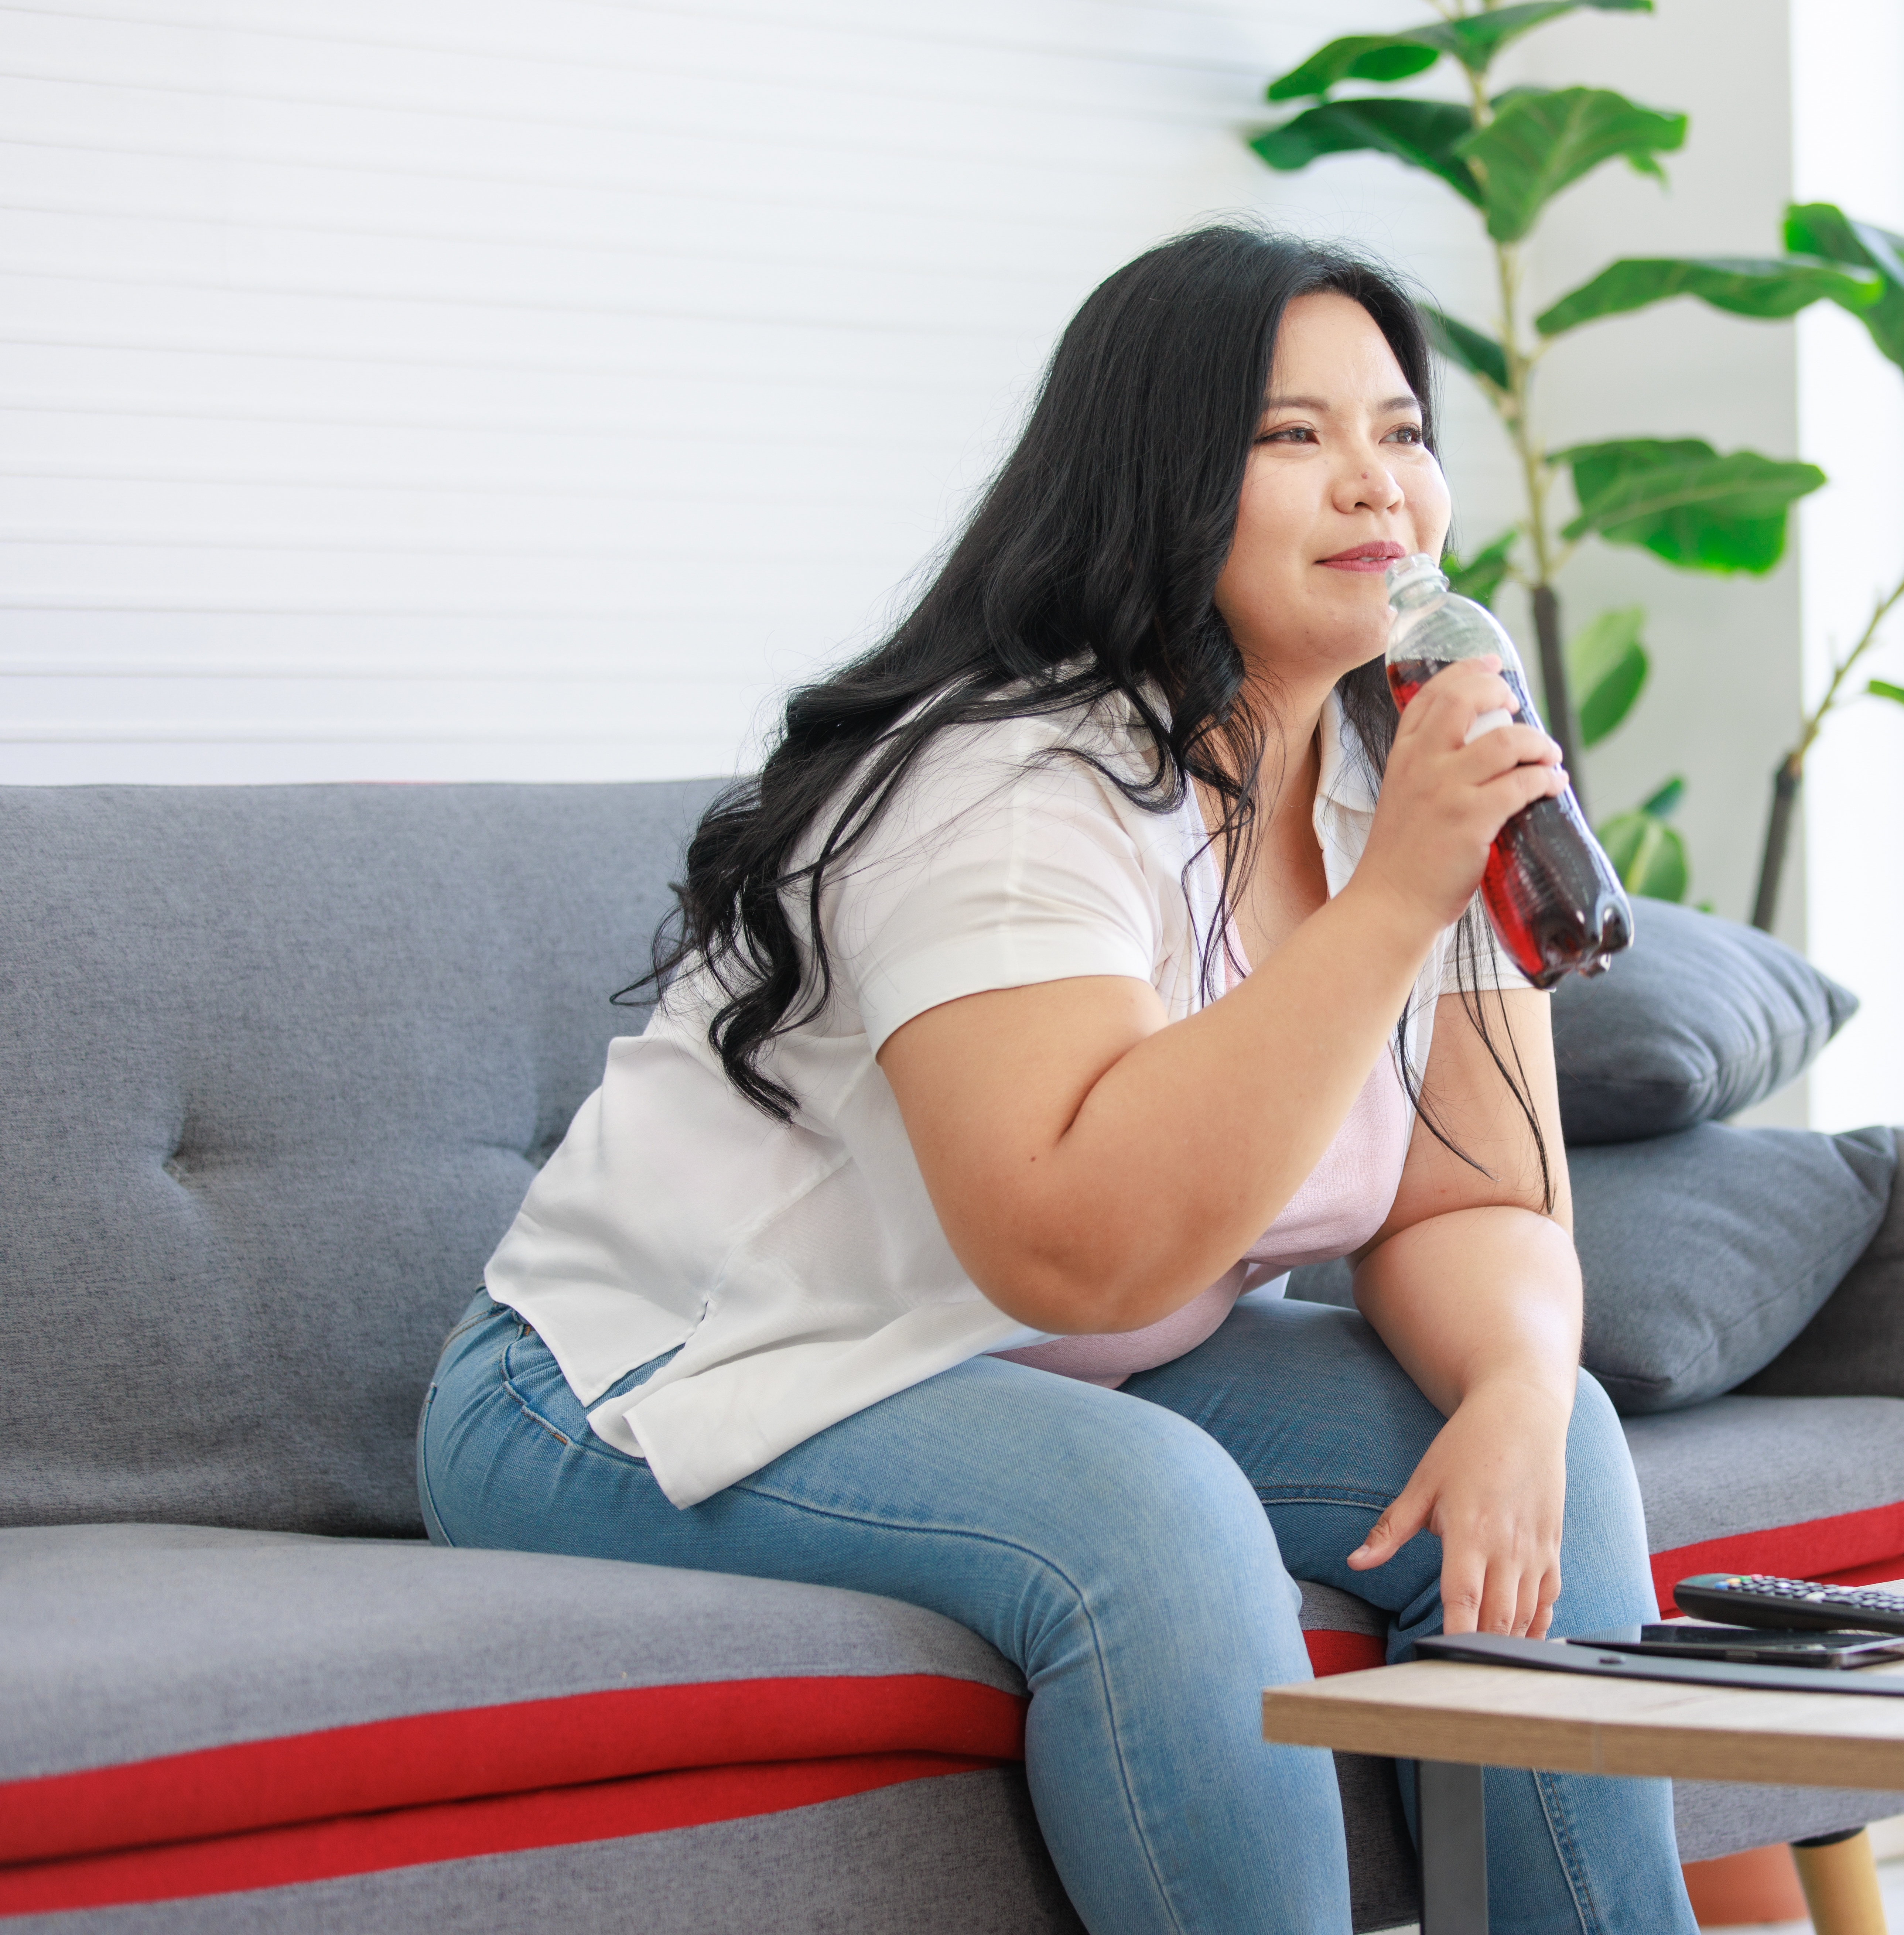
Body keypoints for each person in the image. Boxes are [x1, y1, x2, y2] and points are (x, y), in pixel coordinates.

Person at [417, 224, 1696, 1935]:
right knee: (1147, 1510)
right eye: (1288, 437)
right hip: (643, 1378)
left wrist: (1523, 1387)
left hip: (1035, 1365)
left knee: (1553, 1431)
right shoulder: (1010, 782)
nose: (1371, 484)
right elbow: (1074, 1249)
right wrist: (1391, 900)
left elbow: (1479, 1188)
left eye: (1398, 432)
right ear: (1159, 477)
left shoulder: (1410, 756)